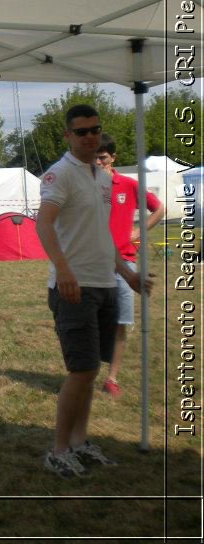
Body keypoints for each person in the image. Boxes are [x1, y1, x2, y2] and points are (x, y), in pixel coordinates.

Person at [36, 104, 151, 479]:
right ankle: (58, 449)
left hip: (105, 283)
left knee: (90, 370)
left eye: (95, 130)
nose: (90, 137)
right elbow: (44, 225)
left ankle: (81, 442)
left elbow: (103, 235)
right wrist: (64, 269)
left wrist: (127, 274)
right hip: (74, 287)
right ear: (67, 136)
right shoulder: (59, 175)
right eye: (81, 131)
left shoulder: (102, 179)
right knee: (81, 370)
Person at [95, 134, 164, 398]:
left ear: (113, 158)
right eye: (94, 158)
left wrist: (138, 231)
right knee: (90, 319)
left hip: (123, 262)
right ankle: (84, 369)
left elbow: (159, 209)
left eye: (103, 158)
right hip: (92, 263)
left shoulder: (127, 185)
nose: (98, 162)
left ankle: (112, 378)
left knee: (120, 321)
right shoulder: (85, 186)